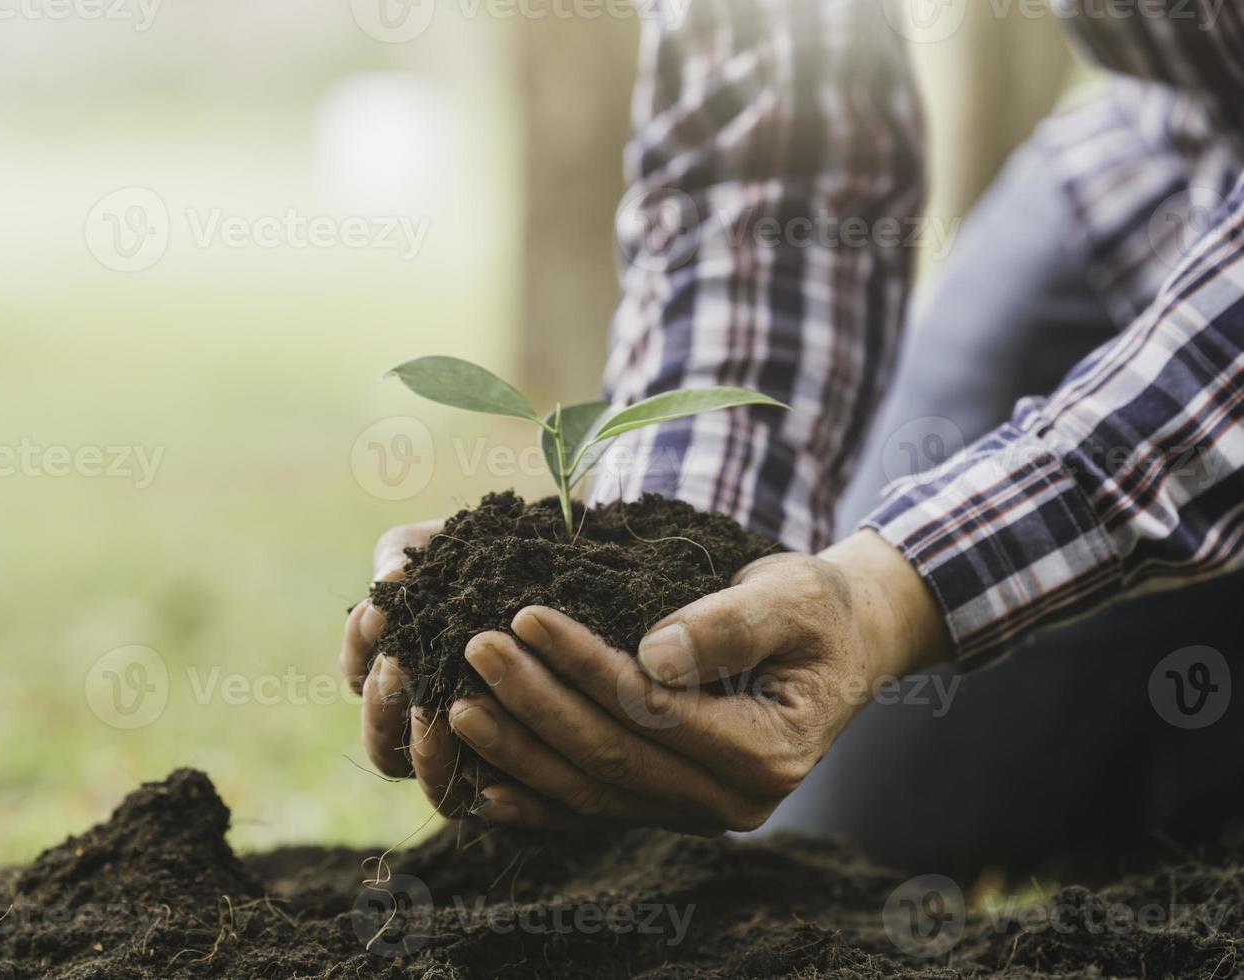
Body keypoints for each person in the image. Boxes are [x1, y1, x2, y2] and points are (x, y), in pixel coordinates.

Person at [340, 0, 1244, 876]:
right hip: (1158, 165)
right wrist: (674, 561)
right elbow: (770, 148)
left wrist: (893, 596)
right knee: (825, 822)